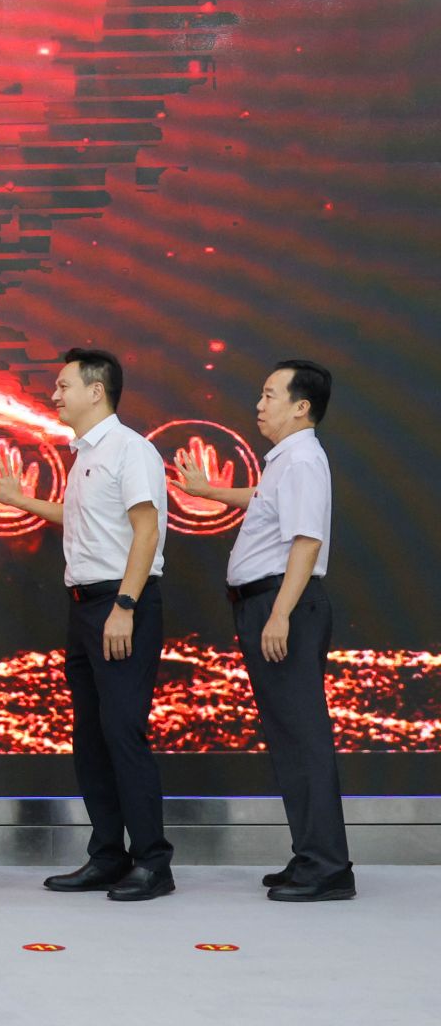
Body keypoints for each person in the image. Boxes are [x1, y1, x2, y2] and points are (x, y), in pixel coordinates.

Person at [0, 347, 174, 901]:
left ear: (97, 391)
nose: (55, 395)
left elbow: (146, 530)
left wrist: (126, 605)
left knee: (123, 733)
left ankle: (153, 862)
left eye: (64, 386)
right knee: (91, 738)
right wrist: (22, 501)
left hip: (120, 603)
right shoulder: (86, 454)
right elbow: (82, 519)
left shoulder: (130, 449)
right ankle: (108, 855)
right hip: (84, 606)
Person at [177, 359, 353, 901]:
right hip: (269, 604)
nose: (259, 404)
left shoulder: (301, 460)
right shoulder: (287, 461)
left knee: (303, 738)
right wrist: (211, 491)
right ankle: (311, 856)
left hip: (283, 606)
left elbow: (307, 541)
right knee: (289, 738)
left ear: (301, 406)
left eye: (270, 394)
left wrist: (280, 613)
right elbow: (264, 501)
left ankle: (328, 868)